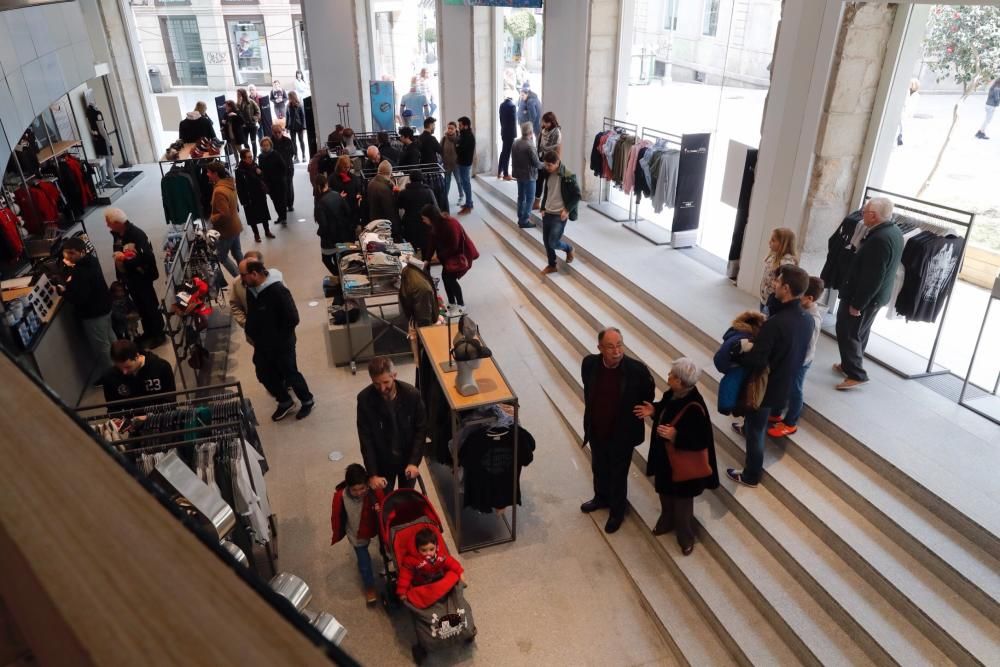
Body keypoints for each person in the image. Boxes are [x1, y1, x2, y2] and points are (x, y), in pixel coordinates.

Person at [727, 265, 814, 488]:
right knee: (756, 423)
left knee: (757, 430)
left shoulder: (775, 324)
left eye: (777, 282)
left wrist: (740, 355)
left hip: (766, 385)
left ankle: (750, 475)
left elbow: (757, 360)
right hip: (785, 382)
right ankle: (745, 428)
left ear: (786, 288)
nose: (773, 284)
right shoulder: (807, 319)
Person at [634, 358, 718, 554]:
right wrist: (654, 410)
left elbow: (701, 440)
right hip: (665, 460)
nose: (668, 376)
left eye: (672, 375)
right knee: (664, 494)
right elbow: (664, 410)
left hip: (683, 467)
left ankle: (685, 535)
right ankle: (666, 520)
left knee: (683, 506)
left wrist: (676, 436)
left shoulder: (695, 407)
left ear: (681, 382)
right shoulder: (672, 394)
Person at [580, 327, 655, 534]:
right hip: (597, 428)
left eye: (619, 345)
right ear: (600, 348)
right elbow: (589, 390)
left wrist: (649, 408)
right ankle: (600, 498)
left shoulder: (636, 370)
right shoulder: (589, 364)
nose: (617, 351)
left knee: (618, 473)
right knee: (598, 466)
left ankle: (617, 511)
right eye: (611, 347)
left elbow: (648, 393)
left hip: (622, 433)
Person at [834, 197, 903, 390]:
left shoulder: (879, 240)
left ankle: (856, 373)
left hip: (865, 297)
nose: (862, 213)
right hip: (876, 297)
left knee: (848, 332)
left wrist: (857, 304)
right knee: (859, 332)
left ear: (873, 216)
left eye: (864, 211)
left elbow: (872, 277)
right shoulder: (894, 231)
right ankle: (850, 365)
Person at [241, 258, 314, 421]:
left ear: (254, 274)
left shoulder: (277, 290)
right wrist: (251, 332)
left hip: (282, 344)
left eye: (243, 275)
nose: (241, 279)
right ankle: (285, 401)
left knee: (290, 373)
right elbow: (253, 314)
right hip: (262, 344)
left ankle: (307, 400)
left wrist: (278, 338)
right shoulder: (251, 289)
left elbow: (293, 318)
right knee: (263, 373)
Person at [356, 356, 427, 492]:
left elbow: (421, 430)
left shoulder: (412, 395)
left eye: (385, 382)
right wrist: (373, 474)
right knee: (384, 501)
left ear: (394, 375)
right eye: (376, 384)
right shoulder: (365, 400)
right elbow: (366, 439)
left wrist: (413, 462)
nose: (382, 388)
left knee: (405, 499)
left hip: (407, 459)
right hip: (382, 461)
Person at [769, 276, 825, 437]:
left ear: (809, 298)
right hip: (793, 357)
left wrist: (798, 363)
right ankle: (776, 413)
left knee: (795, 390)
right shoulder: (802, 310)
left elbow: (809, 347)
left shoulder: (813, 319)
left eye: (799, 295)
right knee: (785, 385)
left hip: (801, 361)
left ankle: (790, 423)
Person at [57, 237, 115, 382]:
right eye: (66, 253)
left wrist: (64, 291)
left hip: (93, 314)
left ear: (81, 252)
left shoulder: (80, 271)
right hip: (105, 307)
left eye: (72, 253)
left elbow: (79, 298)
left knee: (102, 348)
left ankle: (112, 377)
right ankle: (121, 365)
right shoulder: (92, 260)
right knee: (111, 339)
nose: (68, 257)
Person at [105, 208, 165, 346]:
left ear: (117, 222)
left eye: (109, 222)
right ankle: (149, 331)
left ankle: (158, 334)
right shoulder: (118, 235)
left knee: (149, 305)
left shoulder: (137, 235)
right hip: (130, 279)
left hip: (142, 278)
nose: (107, 225)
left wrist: (125, 259)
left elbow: (147, 257)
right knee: (140, 306)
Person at [330, 463, 385, 605]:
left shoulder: (373, 492)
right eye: (355, 490)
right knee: (364, 563)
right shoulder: (340, 497)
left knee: (385, 548)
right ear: (348, 487)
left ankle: (386, 564)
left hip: (373, 526)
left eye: (362, 488)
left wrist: (380, 508)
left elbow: (385, 506)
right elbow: (336, 516)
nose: (360, 492)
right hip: (355, 533)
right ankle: (369, 587)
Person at [421, 204, 476, 314]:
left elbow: (454, 246)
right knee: (446, 277)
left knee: (450, 279)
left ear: (430, 217)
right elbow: (432, 244)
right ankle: (452, 303)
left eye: (424, 218)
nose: (423, 221)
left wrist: (438, 257)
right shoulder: (435, 226)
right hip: (449, 256)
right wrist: (426, 260)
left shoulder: (450, 224)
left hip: (458, 255)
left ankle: (461, 305)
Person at [204, 162, 248, 287]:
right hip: (235, 226)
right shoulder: (229, 184)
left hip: (226, 231)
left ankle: (241, 279)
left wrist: (212, 218)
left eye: (209, 172)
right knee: (237, 253)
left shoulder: (219, 190)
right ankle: (247, 274)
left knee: (221, 257)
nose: (207, 175)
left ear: (215, 174)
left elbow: (224, 214)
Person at [397, 527, 466, 604]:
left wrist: (460, 573)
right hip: (422, 584)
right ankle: (432, 596)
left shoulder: (440, 556)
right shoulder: (411, 560)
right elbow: (405, 575)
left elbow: (451, 563)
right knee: (414, 594)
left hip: (438, 579)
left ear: (436, 546)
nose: (428, 553)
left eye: (431, 549)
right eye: (423, 550)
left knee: (453, 575)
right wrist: (402, 591)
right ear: (417, 549)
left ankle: (437, 593)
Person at [538, 150, 581, 275]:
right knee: (546, 242)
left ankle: (569, 248)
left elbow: (577, 195)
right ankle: (552, 265)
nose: (547, 167)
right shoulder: (547, 173)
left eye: (549, 165)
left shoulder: (568, 176)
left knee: (553, 241)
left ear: (557, 163)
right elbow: (547, 190)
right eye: (545, 165)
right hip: (548, 212)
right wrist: (543, 207)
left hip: (559, 215)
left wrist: (567, 210)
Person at [102, 339, 175, 409]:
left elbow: (170, 401)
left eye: (128, 367)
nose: (124, 372)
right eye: (119, 368)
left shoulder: (161, 367)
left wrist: (148, 417)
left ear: (137, 356)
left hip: (159, 417)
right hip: (129, 420)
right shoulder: (110, 377)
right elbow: (112, 408)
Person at [314, 173, 353, 275]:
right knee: (339, 259)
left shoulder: (320, 203)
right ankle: (342, 277)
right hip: (342, 236)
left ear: (317, 186)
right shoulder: (337, 195)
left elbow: (324, 225)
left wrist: (319, 233)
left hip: (329, 241)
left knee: (326, 260)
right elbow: (348, 212)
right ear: (326, 183)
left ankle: (338, 277)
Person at [229, 249, 272, 342]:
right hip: (255, 335)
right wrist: (246, 324)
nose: (253, 273)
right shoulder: (237, 283)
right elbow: (235, 305)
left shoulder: (273, 281)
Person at [234, 148, 274, 243]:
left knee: (264, 214)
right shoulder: (239, 171)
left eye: (251, 156)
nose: (251, 159)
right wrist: (243, 201)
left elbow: (261, 179)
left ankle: (267, 231)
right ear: (243, 159)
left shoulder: (255, 165)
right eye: (249, 157)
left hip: (259, 194)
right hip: (249, 197)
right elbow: (239, 187)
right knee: (252, 217)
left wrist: (260, 174)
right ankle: (256, 234)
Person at [759, 227, 799, 314]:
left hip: (774, 301)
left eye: (773, 240)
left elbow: (784, 284)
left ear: (783, 244)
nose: (769, 242)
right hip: (765, 298)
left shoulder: (786, 264)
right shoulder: (775, 256)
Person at [397, 171, 438, 252]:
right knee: (426, 248)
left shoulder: (403, 193)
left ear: (410, 180)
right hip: (425, 223)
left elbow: (399, 206)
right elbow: (435, 208)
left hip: (409, 223)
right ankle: (425, 263)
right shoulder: (428, 192)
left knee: (411, 248)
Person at [511, 121, 542, 228]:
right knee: (530, 199)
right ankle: (524, 220)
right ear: (531, 132)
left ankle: (520, 217)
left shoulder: (515, 142)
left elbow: (513, 159)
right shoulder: (529, 145)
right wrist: (546, 165)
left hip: (519, 175)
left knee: (521, 197)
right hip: (529, 176)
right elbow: (537, 163)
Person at [533, 111, 561, 211]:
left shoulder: (557, 132)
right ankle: (536, 203)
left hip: (551, 161)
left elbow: (556, 148)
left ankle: (546, 205)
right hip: (541, 158)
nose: (543, 124)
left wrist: (543, 148)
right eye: (543, 122)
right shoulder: (543, 130)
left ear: (551, 122)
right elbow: (539, 144)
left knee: (549, 184)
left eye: (545, 122)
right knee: (539, 181)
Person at [331, 154, 365, 231]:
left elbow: (359, 189)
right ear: (339, 166)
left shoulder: (353, 177)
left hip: (353, 211)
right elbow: (330, 195)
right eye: (345, 167)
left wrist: (359, 194)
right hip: (340, 212)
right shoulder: (332, 179)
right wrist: (338, 197)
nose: (347, 169)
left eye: (348, 167)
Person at [258, 137, 288, 225]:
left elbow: (283, 167)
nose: (265, 147)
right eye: (263, 145)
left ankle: (283, 218)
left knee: (281, 201)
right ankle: (280, 216)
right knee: (275, 201)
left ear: (270, 145)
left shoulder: (275, 154)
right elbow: (261, 169)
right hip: (269, 184)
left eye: (267, 145)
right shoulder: (261, 157)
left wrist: (281, 178)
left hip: (279, 182)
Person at [367, 160, 400, 238]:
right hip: (383, 225)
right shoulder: (384, 189)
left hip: (374, 220)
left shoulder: (371, 182)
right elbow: (390, 210)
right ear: (389, 173)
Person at [271, 122, 297, 212]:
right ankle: (283, 204)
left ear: (282, 131)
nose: (277, 134)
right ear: (272, 132)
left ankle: (290, 204)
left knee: (289, 186)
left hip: (288, 167)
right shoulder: (270, 142)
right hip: (276, 170)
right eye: (275, 132)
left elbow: (292, 153)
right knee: (280, 188)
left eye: (279, 132)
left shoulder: (288, 141)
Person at [455, 116, 476, 215]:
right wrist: (457, 145)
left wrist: (457, 145)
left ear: (466, 126)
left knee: (466, 183)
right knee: (464, 183)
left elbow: (459, 149)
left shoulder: (467, 136)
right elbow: (458, 147)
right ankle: (468, 203)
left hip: (465, 163)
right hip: (462, 161)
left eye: (460, 125)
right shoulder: (463, 135)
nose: (458, 127)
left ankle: (469, 204)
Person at [441, 121, 459, 209]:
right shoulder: (444, 138)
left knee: (459, 181)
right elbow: (440, 150)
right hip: (446, 164)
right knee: (447, 182)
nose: (450, 130)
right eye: (448, 128)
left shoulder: (458, 139)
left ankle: (461, 195)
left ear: (456, 129)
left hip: (456, 164)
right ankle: (445, 197)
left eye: (452, 128)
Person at [236, 89, 260, 156]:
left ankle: (254, 157)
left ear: (243, 94)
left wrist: (254, 118)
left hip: (252, 125)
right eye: (237, 94)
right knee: (245, 142)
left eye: (239, 94)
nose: (238, 95)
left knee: (253, 142)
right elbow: (237, 113)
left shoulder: (251, 101)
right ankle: (249, 155)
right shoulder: (237, 103)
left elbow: (258, 111)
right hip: (243, 127)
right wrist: (238, 103)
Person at [498, 96, 517, 180]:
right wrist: (514, 134)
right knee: (507, 153)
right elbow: (513, 122)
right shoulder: (512, 106)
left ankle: (499, 171)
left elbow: (501, 119)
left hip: (503, 132)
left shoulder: (502, 105)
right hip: (510, 134)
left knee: (503, 152)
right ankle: (505, 174)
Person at [285, 92, 307, 163]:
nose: (288, 99)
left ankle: (304, 156)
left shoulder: (299, 105)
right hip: (291, 127)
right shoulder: (288, 106)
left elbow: (303, 117)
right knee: (293, 142)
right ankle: (296, 156)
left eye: (289, 97)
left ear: (293, 97)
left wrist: (303, 127)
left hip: (299, 126)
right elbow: (287, 116)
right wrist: (286, 127)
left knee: (301, 141)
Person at [897, 78, 919, 146]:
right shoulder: (906, 92)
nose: (910, 85)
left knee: (904, 126)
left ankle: (900, 137)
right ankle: (899, 137)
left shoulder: (916, 95)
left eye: (912, 84)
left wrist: (911, 114)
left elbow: (914, 105)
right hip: (902, 110)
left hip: (907, 112)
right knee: (900, 124)